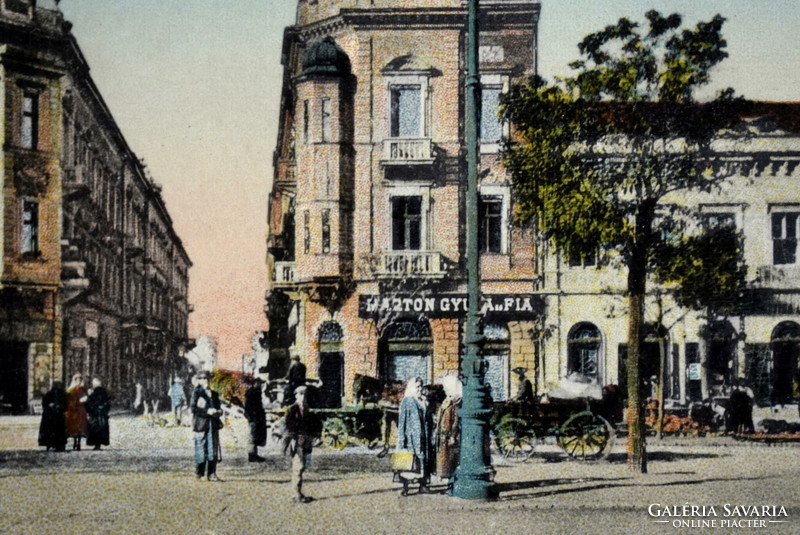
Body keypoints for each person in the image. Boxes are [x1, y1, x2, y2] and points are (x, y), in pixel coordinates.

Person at [283, 385, 322, 503]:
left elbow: (316, 425)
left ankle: (297, 492)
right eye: (300, 394)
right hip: (296, 443)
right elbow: (288, 427)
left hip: (307, 442)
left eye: (305, 394)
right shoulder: (291, 410)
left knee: (302, 466)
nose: (303, 396)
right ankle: (296, 494)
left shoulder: (308, 411)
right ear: (296, 396)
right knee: (298, 467)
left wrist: (316, 436)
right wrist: (295, 437)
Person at [397, 376, 434, 494]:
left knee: (423, 460)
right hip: (411, 438)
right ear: (412, 387)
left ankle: (423, 485)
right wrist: (402, 438)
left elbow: (428, 419)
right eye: (417, 386)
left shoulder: (423, 401)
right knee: (407, 461)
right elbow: (402, 421)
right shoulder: (407, 401)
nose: (419, 389)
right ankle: (405, 487)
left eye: (421, 386)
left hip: (424, 437)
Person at [191, 370, 224, 481]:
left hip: (213, 424)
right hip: (201, 424)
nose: (204, 381)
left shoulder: (214, 394)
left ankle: (212, 474)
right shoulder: (196, 392)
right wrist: (206, 412)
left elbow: (219, 408)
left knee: (213, 449)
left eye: (206, 378)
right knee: (201, 447)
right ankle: (199, 473)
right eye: (201, 378)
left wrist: (218, 412)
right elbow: (193, 409)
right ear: (198, 380)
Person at [435, 375, 462, 489]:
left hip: (449, 436)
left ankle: (451, 484)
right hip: (443, 435)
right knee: (445, 460)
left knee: (450, 461)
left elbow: (455, 420)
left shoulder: (455, 401)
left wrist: (453, 436)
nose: (444, 389)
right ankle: (449, 483)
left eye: (446, 386)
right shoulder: (448, 399)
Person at [38, 381, 67, 452]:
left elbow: (44, 404)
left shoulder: (51, 394)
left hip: (52, 415)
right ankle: (58, 444)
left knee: (53, 430)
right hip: (55, 415)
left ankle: (51, 443)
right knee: (57, 430)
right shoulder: (61, 394)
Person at [244, 377, 267, 462]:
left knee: (254, 436)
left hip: (254, 417)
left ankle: (253, 455)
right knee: (253, 436)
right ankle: (252, 455)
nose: (261, 385)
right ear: (256, 384)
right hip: (254, 418)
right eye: (260, 383)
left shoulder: (252, 392)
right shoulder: (255, 392)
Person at [86, 378, 111, 451]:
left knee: (95, 429)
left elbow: (89, 403)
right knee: (101, 429)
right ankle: (99, 444)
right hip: (102, 414)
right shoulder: (104, 392)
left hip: (95, 414)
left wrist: (90, 411)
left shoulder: (93, 393)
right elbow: (108, 403)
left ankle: (96, 444)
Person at [65, 373, 88, 451]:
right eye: (76, 379)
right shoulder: (71, 389)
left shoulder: (82, 389)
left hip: (80, 410)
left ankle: (78, 442)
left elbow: (86, 399)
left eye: (79, 379)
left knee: (79, 427)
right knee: (74, 426)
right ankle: (75, 441)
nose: (78, 381)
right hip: (73, 410)